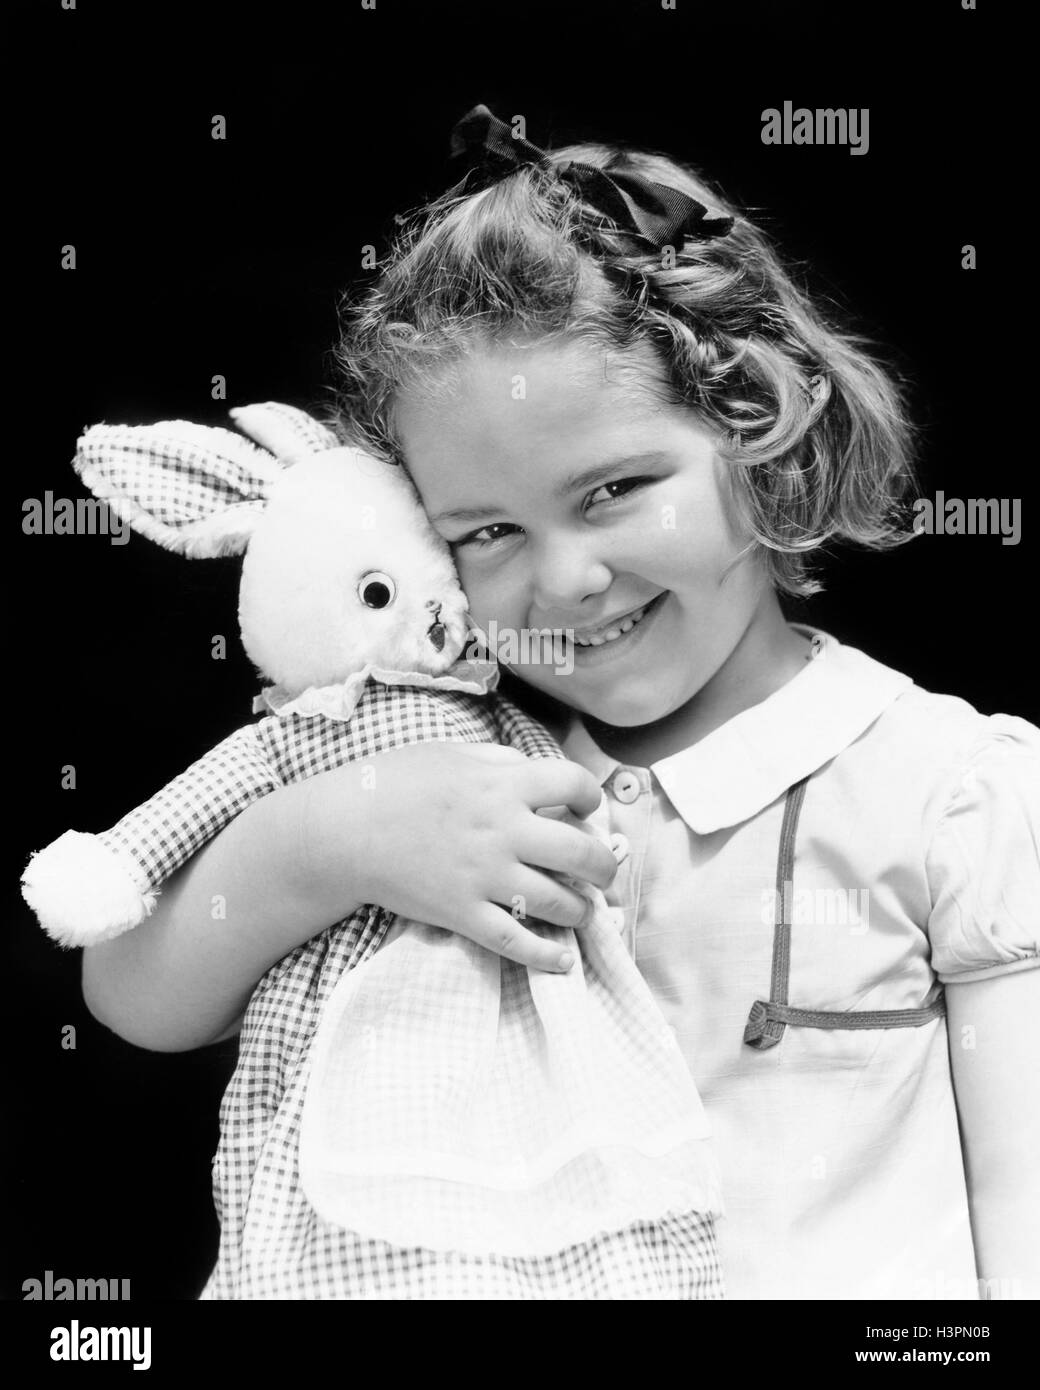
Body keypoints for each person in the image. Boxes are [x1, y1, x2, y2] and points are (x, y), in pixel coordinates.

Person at [82, 107, 1040, 1299]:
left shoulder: (943, 788)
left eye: (614, 490)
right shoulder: (435, 763)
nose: (564, 579)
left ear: (752, 425)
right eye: (484, 530)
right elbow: (129, 997)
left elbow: (1022, 1199)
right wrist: (333, 846)